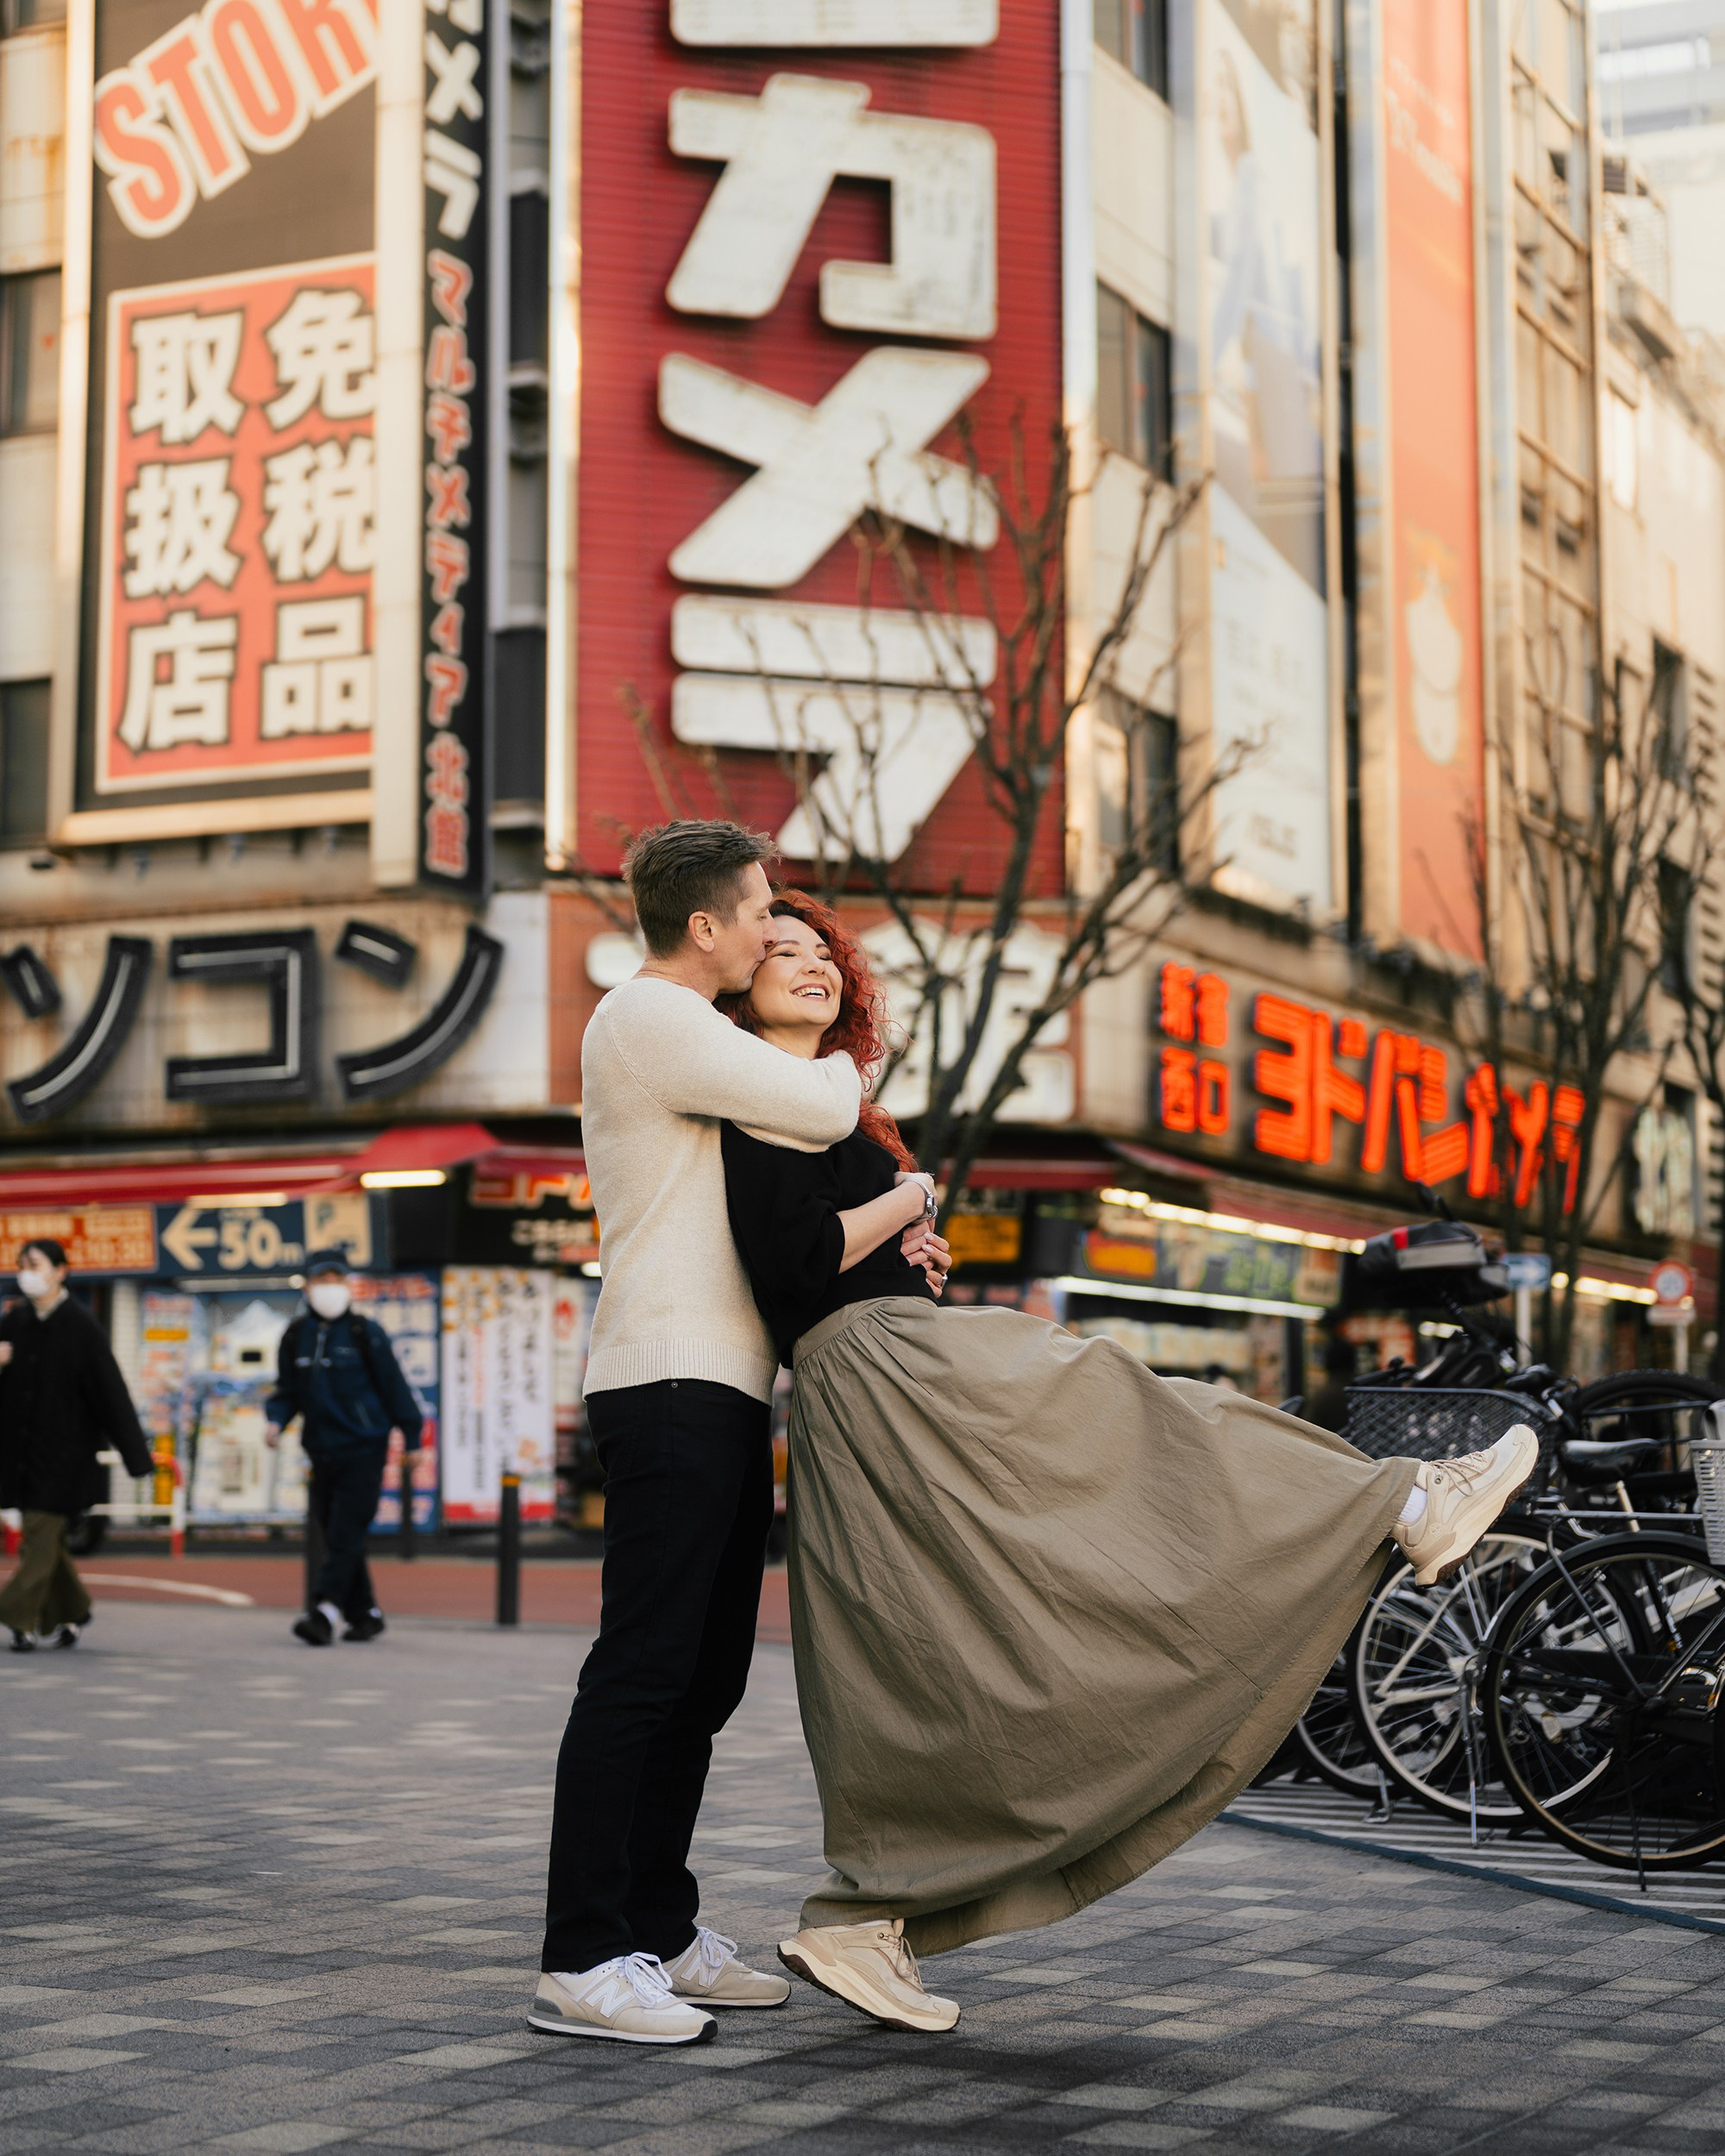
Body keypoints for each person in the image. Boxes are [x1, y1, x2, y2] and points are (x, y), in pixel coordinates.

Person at [718, 893, 1540, 2034]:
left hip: (878, 1368)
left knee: (936, 1645)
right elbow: (795, 1257)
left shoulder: (812, 1098)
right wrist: (908, 1198)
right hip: (884, 1371)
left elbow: (818, 1247)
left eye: (822, 953)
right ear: (733, 982)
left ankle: (871, 1919)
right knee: (1137, 1434)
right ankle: (1403, 1500)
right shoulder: (767, 1091)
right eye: (781, 953)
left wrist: (906, 1245)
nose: (810, 966)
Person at [531, 820, 918, 2049]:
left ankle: (655, 1926)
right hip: (668, 1381)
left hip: (724, 1385)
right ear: (705, 926)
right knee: (644, 1675)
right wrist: (877, 1082)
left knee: (698, 1682)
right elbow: (817, 1096)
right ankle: (583, 1959)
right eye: (759, 914)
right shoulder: (654, 1018)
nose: (772, 932)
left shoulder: (686, 1030)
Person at [0, 1239, 155, 1651]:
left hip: (66, 1458)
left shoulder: (82, 1326)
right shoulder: (15, 1322)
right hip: (21, 1457)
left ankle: (16, 1615)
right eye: (22, 1264)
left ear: (60, 1271)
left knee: (38, 1533)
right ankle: (73, 1611)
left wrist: (136, 1458)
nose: (25, 1271)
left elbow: (111, 1395)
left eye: (34, 1263)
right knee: (45, 1540)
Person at [264, 1250, 423, 1648]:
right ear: (307, 1285)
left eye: (336, 1279)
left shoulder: (364, 1333)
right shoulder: (295, 1335)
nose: (328, 1288)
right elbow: (287, 1391)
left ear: (347, 1284)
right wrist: (274, 1421)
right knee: (337, 1532)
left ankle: (323, 1612)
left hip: (365, 1447)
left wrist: (413, 1436)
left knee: (344, 1532)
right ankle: (366, 1614)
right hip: (320, 1449)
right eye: (321, 1280)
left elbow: (395, 1388)